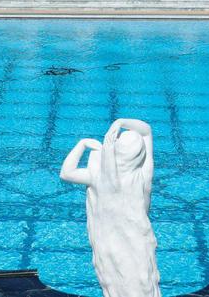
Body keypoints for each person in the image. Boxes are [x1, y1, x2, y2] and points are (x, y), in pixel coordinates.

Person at [60, 118, 160, 297]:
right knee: (144, 282)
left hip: (111, 246)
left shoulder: (98, 177)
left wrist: (82, 145)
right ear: (139, 154)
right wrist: (120, 122)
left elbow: (66, 173)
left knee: (117, 284)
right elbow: (146, 131)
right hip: (139, 242)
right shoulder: (144, 174)